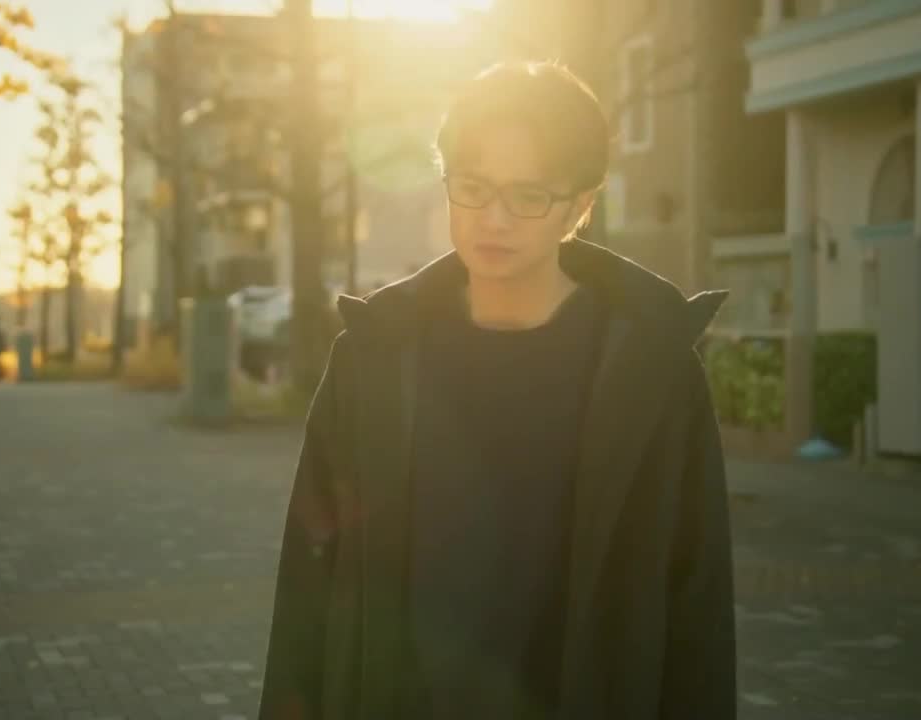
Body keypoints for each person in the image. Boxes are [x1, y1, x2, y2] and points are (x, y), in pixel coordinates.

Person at [258, 61, 735, 720]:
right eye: (473, 188)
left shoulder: (652, 372)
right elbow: (308, 581)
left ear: (581, 205)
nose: (495, 219)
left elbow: (697, 604)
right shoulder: (374, 360)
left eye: (528, 195)